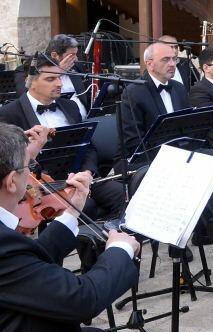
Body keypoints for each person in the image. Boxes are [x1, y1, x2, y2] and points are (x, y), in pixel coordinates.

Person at [0, 123, 189, 332]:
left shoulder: (9, 244)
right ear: (11, 181)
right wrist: (119, 250)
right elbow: (81, 300)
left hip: (16, 331)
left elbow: (25, 265)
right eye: (28, 168)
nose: (32, 175)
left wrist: (71, 212)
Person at [0, 55, 126, 219]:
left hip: (79, 177)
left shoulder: (70, 106)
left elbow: (88, 146)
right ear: (31, 82)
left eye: (59, 77)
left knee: (120, 194)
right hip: (42, 186)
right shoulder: (9, 113)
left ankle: (111, 241)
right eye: (51, 79)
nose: (59, 83)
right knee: (86, 206)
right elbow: (9, 161)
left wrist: (87, 172)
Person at [119, 42, 190, 162]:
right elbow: (133, 140)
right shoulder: (133, 92)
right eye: (166, 60)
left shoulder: (179, 88)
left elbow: (188, 127)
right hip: (147, 158)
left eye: (174, 59)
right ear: (150, 64)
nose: (172, 64)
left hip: (179, 152)